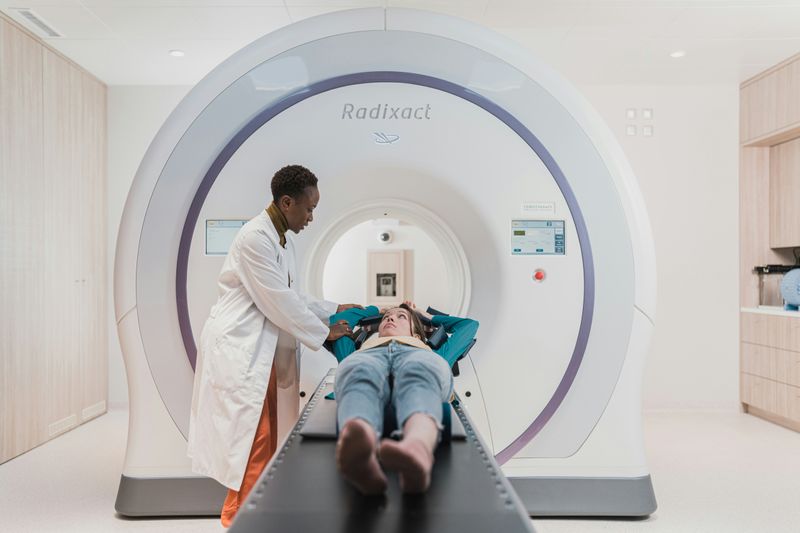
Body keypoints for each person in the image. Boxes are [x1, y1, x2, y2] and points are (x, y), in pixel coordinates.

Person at [187, 165, 358, 527]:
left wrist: (332, 308)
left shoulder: (282, 239)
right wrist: (325, 331)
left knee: (261, 437)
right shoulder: (255, 238)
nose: (312, 216)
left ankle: (246, 513)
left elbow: (292, 295)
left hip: (258, 351)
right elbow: (279, 300)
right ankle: (242, 519)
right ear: (286, 202)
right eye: (309, 208)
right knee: (254, 438)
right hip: (239, 347)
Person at [328, 302, 478, 495]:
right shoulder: (357, 351)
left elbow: (469, 326)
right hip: (369, 358)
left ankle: (417, 449)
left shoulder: (431, 352)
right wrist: (377, 309)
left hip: (416, 356)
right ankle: (360, 449)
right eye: (387, 317)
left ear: (416, 334)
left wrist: (426, 316)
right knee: (360, 376)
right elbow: (340, 321)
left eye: (401, 317)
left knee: (419, 377)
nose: (391, 318)